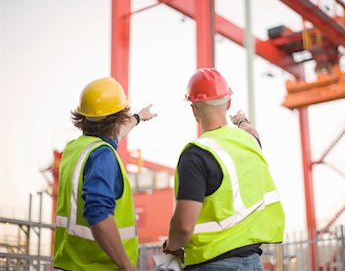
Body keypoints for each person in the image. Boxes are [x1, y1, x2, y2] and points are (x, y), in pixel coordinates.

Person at [163, 68, 285, 270]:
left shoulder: (196, 155)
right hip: (254, 263)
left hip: (212, 264)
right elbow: (252, 132)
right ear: (228, 103)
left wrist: (173, 246)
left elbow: (184, 225)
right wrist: (241, 121)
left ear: (194, 109)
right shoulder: (250, 143)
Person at [53, 77, 158, 270]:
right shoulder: (102, 154)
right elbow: (98, 214)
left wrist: (138, 117)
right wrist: (126, 266)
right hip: (98, 266)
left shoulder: (74, 149)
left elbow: (114, 133)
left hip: (69, 262)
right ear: (118, 118)